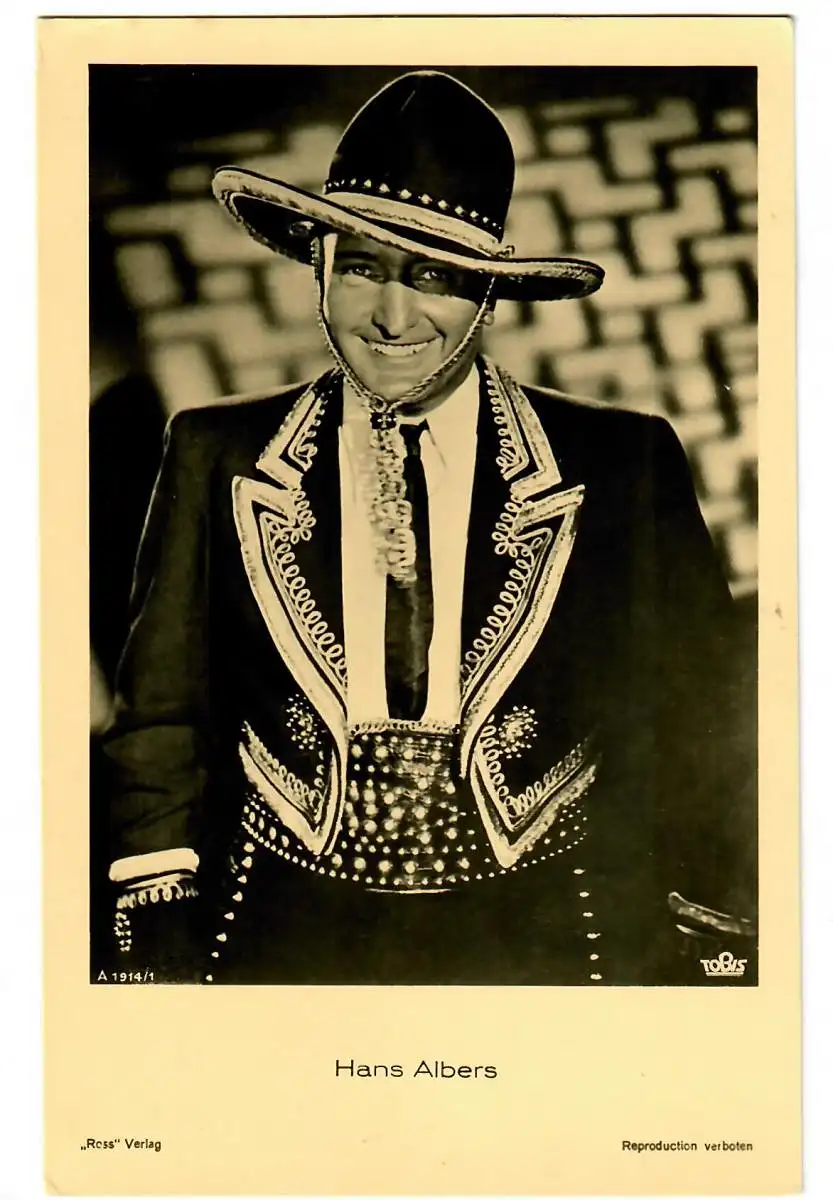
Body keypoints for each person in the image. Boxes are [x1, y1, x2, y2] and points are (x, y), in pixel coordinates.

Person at [101, 70, 756, 986]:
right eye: (361, 267)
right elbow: (163, 716)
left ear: (486, 293)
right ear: (319, 266)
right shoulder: (216, 451)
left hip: (554, 926)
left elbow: (698, 716)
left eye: (435, 278)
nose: (392, 318)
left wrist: (711, 933)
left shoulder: (620, 461)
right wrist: (154, 925)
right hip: (282, 928)